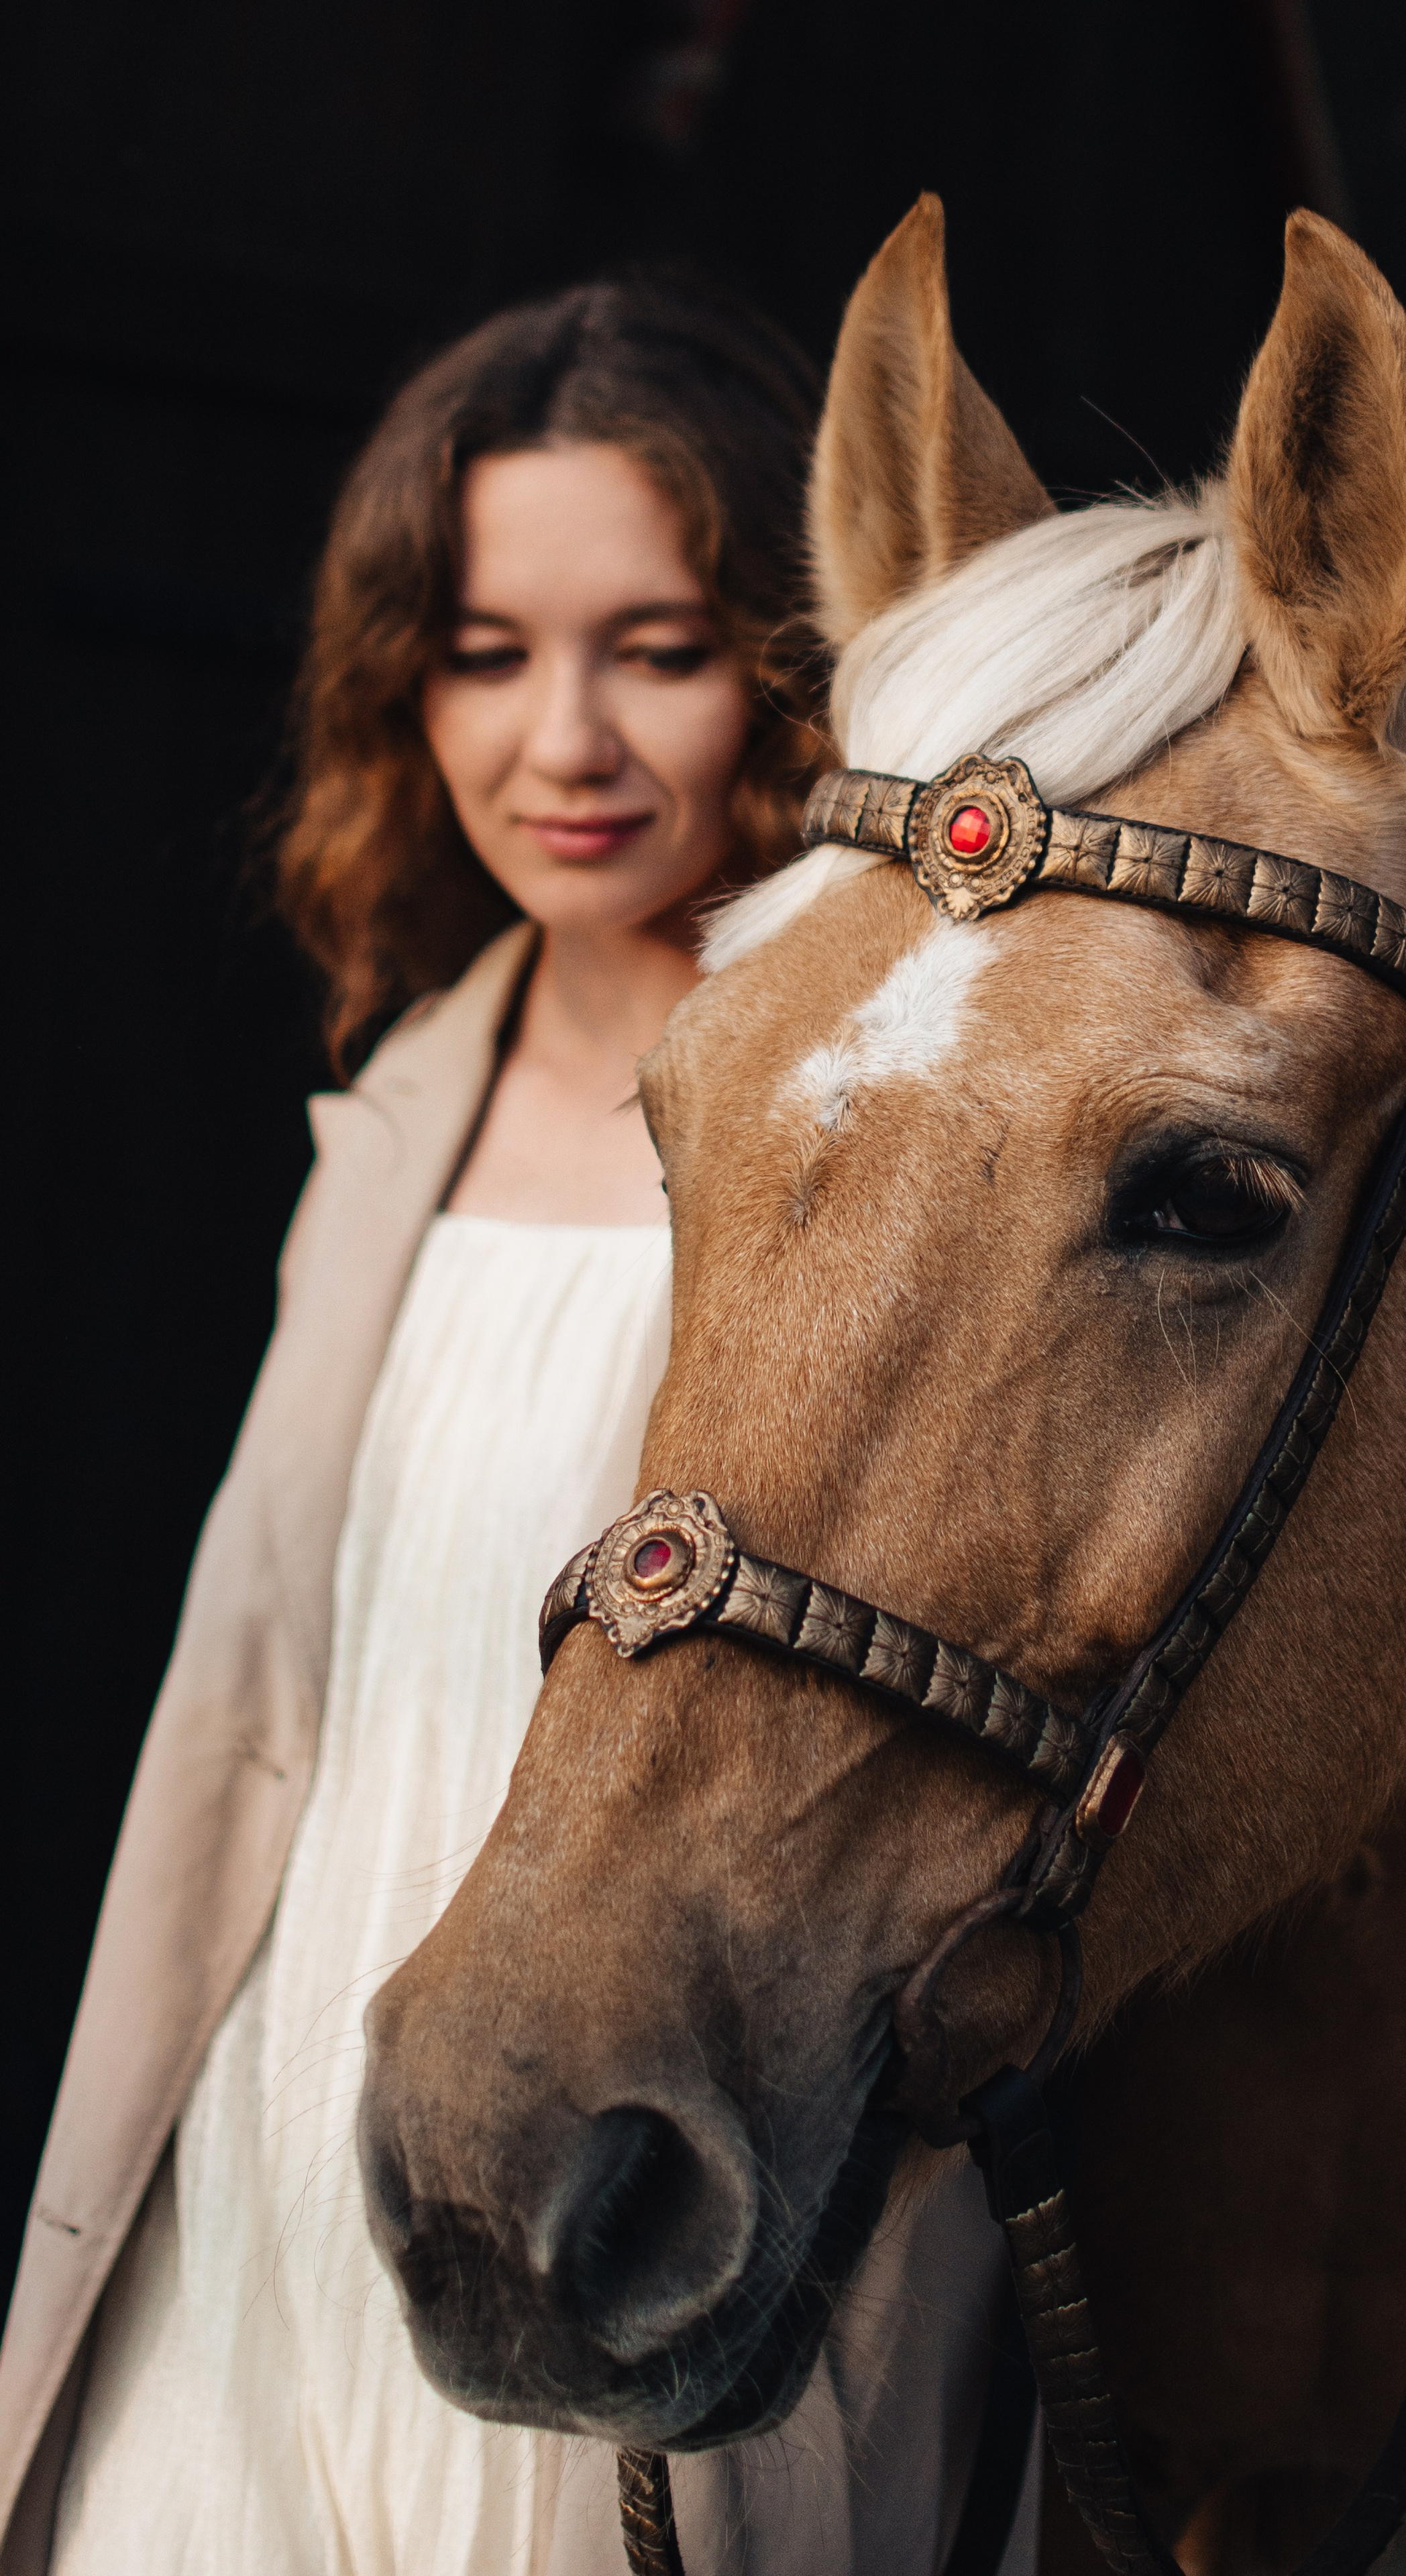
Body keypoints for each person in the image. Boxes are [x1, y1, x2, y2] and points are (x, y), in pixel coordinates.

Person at [0, 276, 1037, 2575]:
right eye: (485, 651)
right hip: (277, 2161)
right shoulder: (392, 1112)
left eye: (652, 646)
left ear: (788, 662)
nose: (561, 736)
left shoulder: (891, 1145)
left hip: (662, 2158)